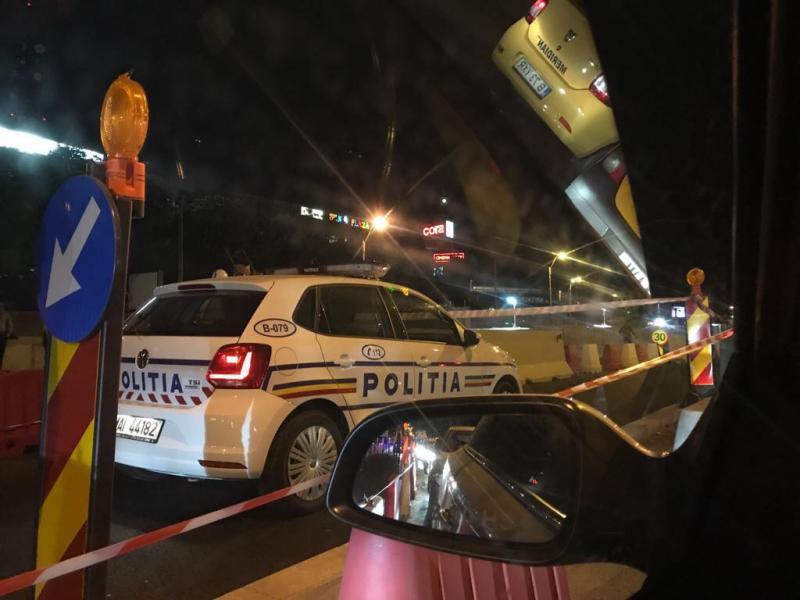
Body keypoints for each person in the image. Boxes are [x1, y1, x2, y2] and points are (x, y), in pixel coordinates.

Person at [0, 302, 14, 368]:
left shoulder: (6, 315)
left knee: (2, 351)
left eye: (1, 307)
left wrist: (8, 333)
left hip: (2, 335)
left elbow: (10, 325)